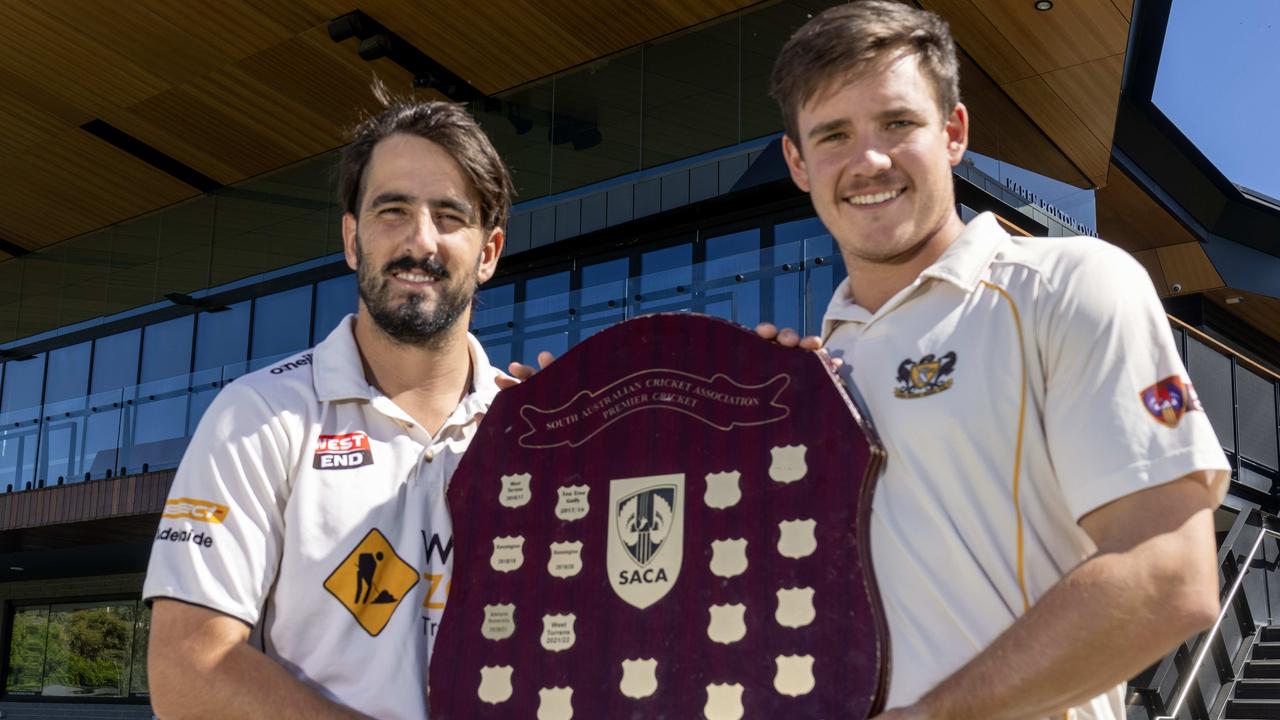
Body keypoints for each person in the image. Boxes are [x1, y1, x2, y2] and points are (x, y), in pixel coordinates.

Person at [759, 2, 1230, 718]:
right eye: (833, 135)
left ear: (953, 132)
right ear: (798, 163)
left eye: (898, 123)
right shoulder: (817, 367)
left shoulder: (1067, 284)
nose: (869, 161)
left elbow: (1169, 572)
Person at [143, 94, 516, 719]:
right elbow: (188, 671)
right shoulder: (257, 416)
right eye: (392, 210)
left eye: (449, 217)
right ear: (352, 238)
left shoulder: (536, 430)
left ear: (488, 252)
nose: (420, 241)